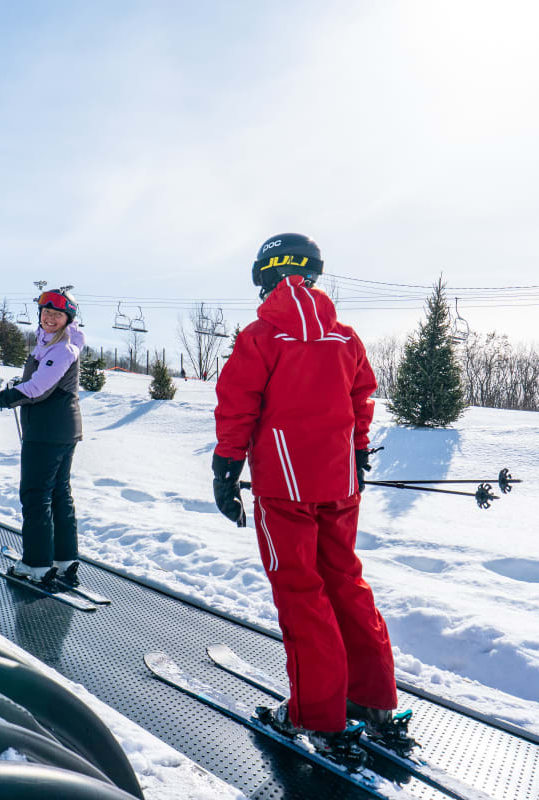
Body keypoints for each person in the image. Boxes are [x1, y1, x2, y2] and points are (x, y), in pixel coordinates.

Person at [212, 233, 406, 762]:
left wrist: (226, 468)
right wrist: (358, 453)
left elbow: (237, 404)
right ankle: (370, 699)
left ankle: (318, 716)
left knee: (302, 592)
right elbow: (360, 396)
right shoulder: (345, 337)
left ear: (265, 276)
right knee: (344, 579)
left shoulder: (261, 337)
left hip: (284, 487)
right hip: (338, 483)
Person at [0, 288, 85, 585]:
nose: (50, 318)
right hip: (59, 428)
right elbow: (41, 379)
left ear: (67, 319)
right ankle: (63, 558)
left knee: (36, 494)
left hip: (47, 431)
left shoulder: (62, 348)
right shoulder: (51, 343)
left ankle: (37, 564)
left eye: (57, 314)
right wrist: (20, 383)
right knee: (57, 492)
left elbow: (39, 387)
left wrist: (5, 398)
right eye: (46, 313)